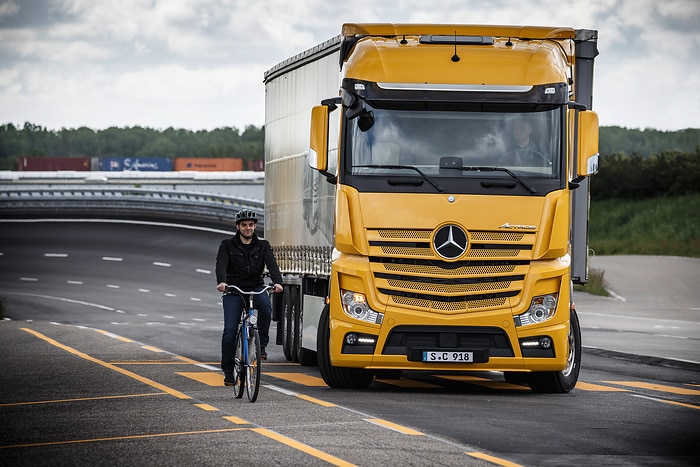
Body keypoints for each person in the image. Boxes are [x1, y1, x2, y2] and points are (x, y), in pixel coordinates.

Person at [215, 209, 283, 386]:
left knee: (266, 308)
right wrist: (222, 281)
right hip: (234, 290)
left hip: (255, 287)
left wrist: (277, 282)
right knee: (230, 331)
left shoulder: (263, 245)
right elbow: (220, 265)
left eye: (251, 225)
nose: (248, 228)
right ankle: (229, 371)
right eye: (244, 225)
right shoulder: (227, 245)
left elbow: (272, 265)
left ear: (254, 227)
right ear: (238, 226)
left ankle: (262, 346)